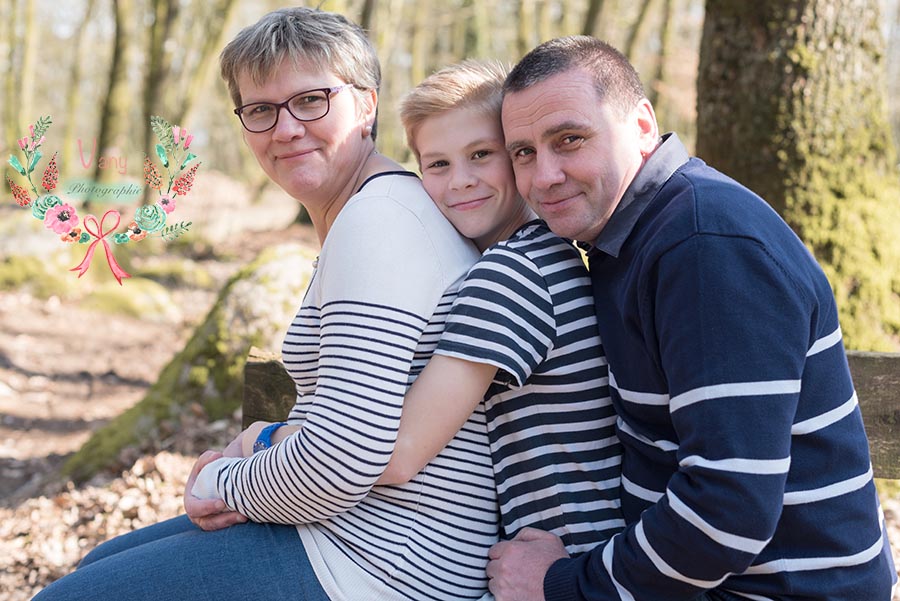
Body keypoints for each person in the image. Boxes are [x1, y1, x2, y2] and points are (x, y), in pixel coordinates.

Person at [34, 8, 499, 601]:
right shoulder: (374, 210)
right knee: (98, 562)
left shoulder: (381, 221)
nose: (285, 129)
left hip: (386, 566)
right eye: (261, 110)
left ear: (367, 104)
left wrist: (222, 481)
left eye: (311, 101)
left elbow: (342, 459)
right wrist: (266, 439)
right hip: (356, 532)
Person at [486, 35, 898, 601]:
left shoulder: (703, 244)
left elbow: (729, 505)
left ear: (641, 125)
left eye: (570, 139)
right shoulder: (629, 237)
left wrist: (562, 586)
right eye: (524, 153)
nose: (545, 176)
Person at [374, 59, 625, 556]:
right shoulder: (548, 251)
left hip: (570, 557)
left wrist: (267, 439)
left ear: (517, 156)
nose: (461, 180)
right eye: (438, 164)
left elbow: (399, 455)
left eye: (481, 154)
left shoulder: (513, 273)